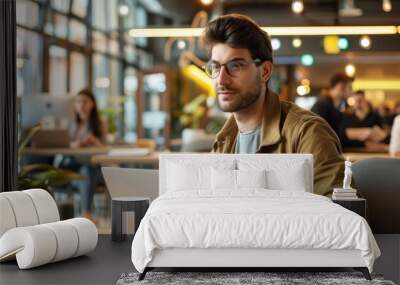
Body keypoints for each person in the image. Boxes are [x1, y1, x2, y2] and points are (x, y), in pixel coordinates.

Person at [203, 14, 344, 196]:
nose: (221, 80)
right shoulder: (224, 141)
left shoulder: (307, 133)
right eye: (215, 67)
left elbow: (339, 218)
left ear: (265, 72)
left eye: (235, 66)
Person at [62, 89, 107, 219]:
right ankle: (86, 215)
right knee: (84, 173)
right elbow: (64, 145)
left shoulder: (99, 124)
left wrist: (95, 142)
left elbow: (105, 150)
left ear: (92, 104)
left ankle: (86, 213)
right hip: (72, 166)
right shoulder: (70, 124)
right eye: (78, 101)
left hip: (93, 167)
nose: (81, 105)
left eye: (85, 102)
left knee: (87, 171)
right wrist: (73, 145)